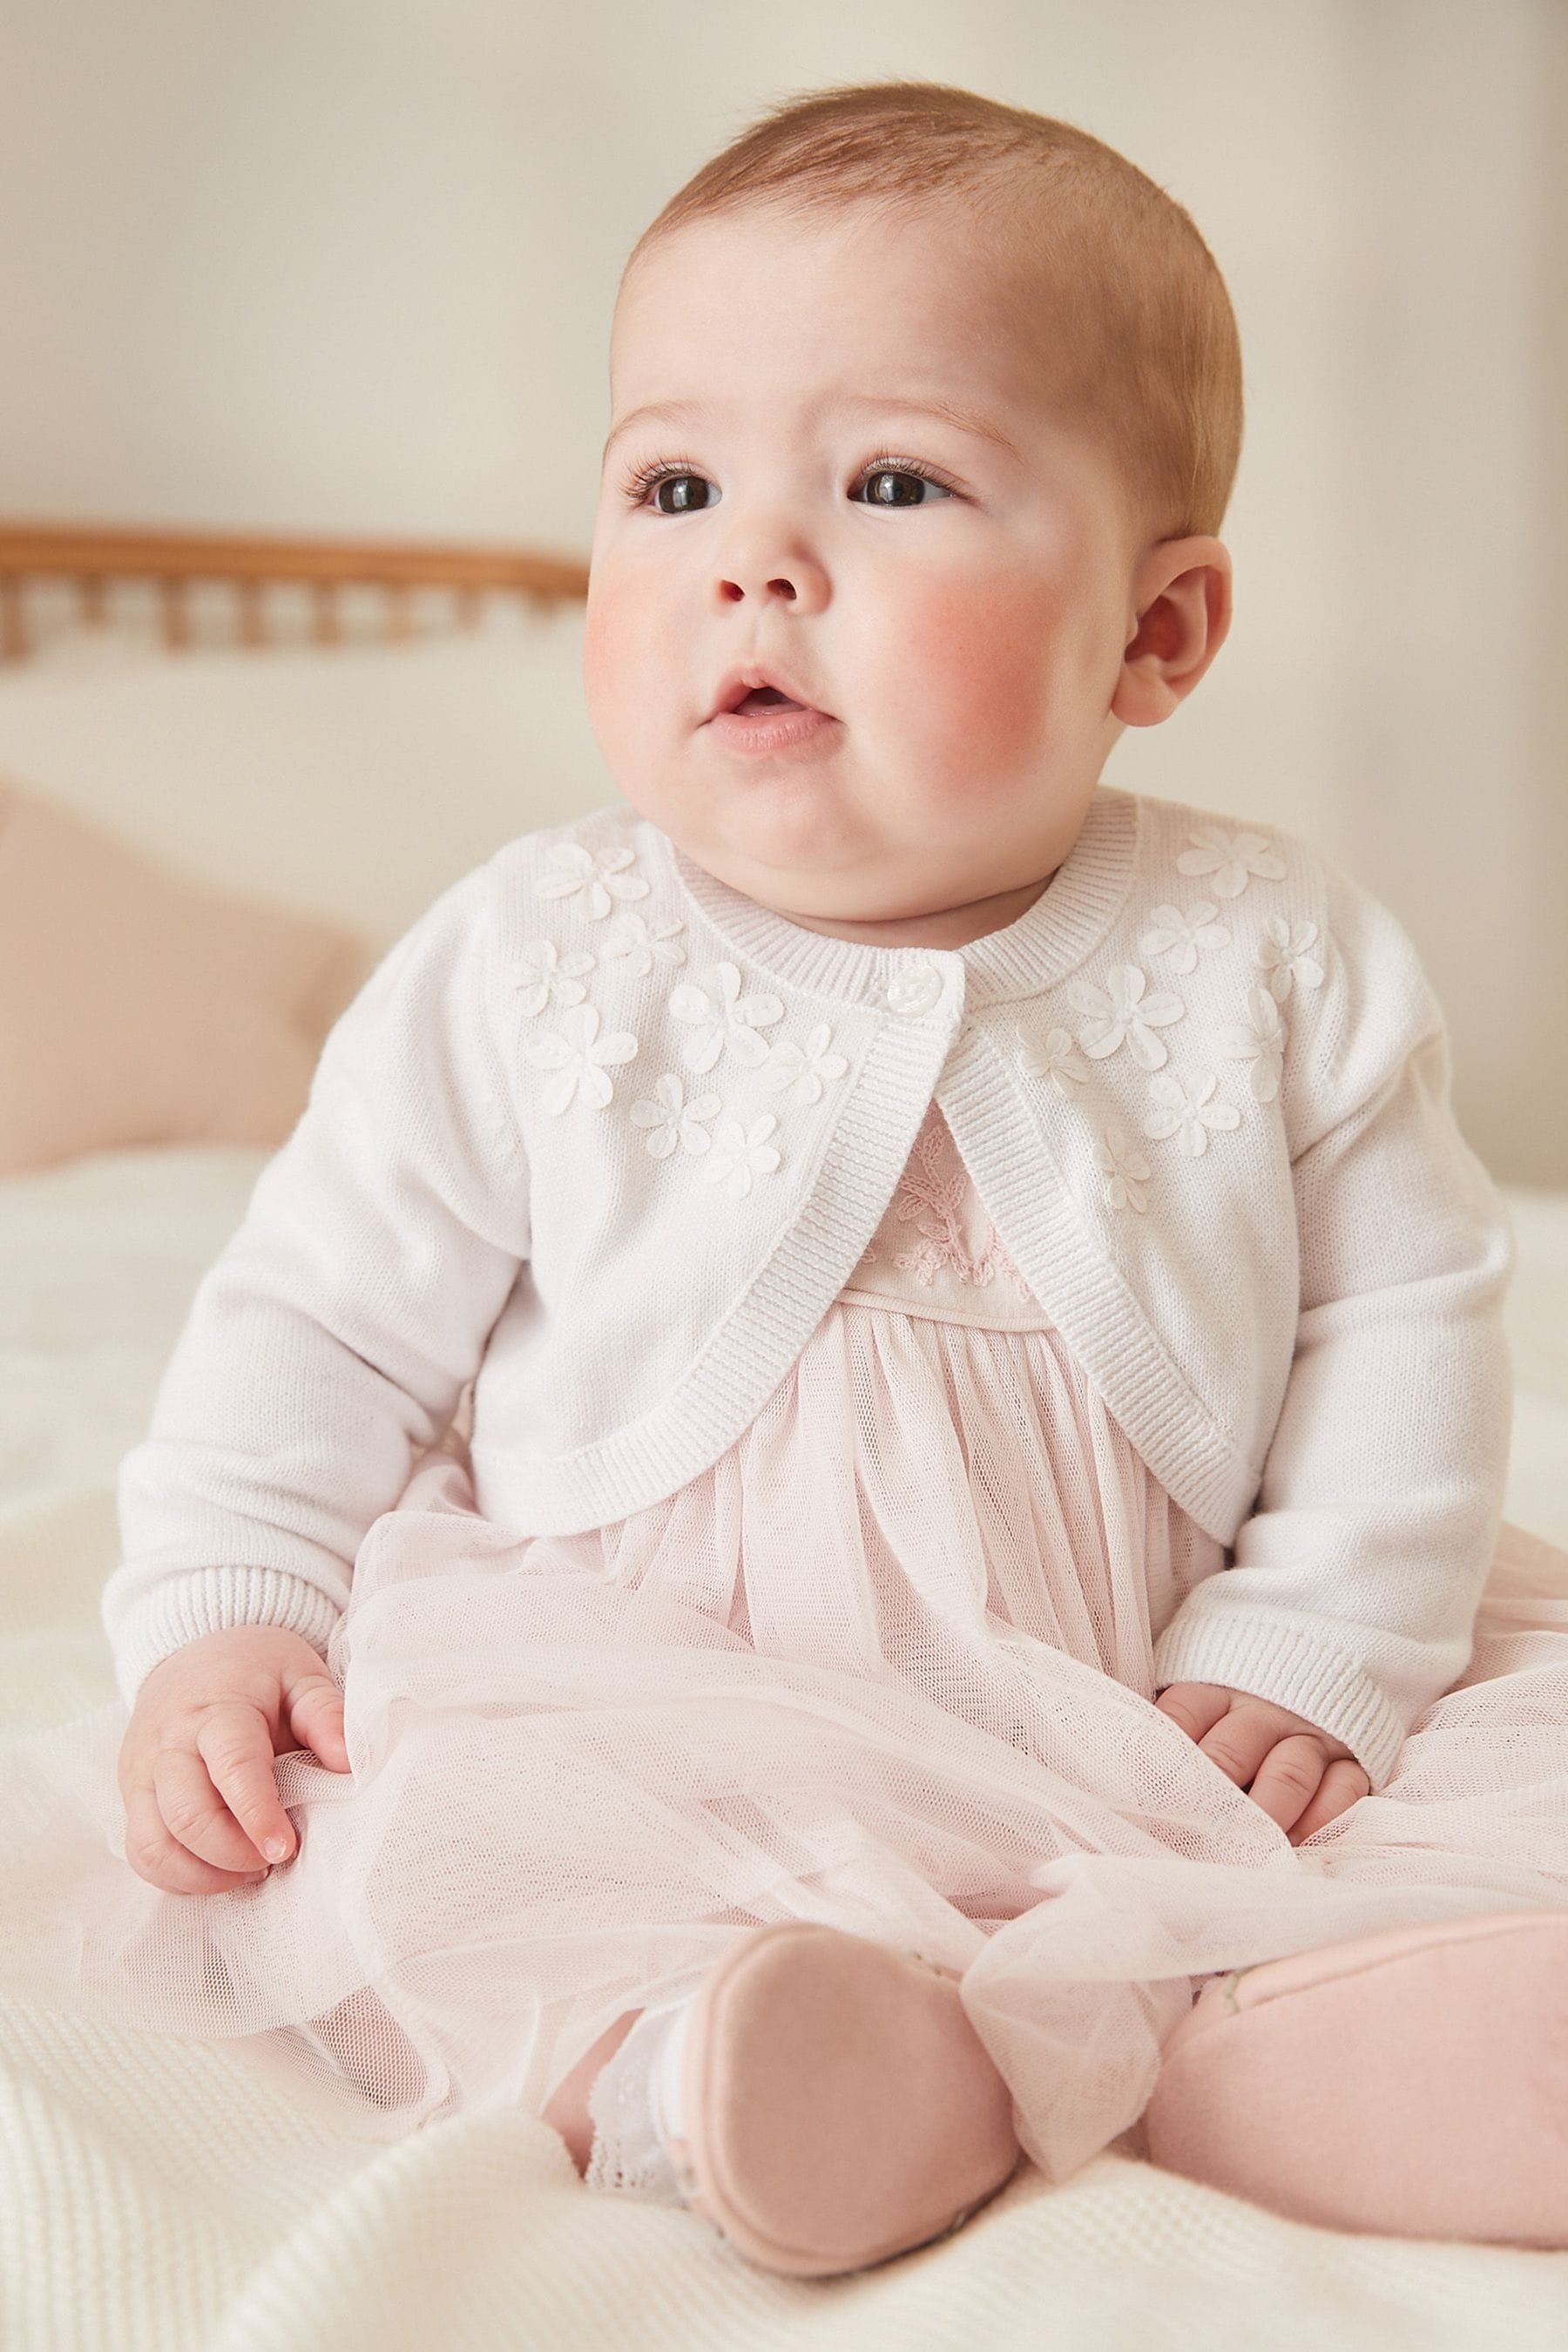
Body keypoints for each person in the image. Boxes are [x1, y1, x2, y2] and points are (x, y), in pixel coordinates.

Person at [8, 79, 1568, 2279]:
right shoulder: (538, 952)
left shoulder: (1273, 953)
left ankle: (1245, 2045)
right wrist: (233, 1608)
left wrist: (1324, 1643)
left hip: (1153, 1684)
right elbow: (317, 1323)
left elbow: (1409, 1322)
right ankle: (729, 2074)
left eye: (895, 481)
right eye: (672, 483)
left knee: (1442, 1777)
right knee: (407, 1859)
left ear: (1158, 632)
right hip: (662, 1693)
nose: (753, 558)